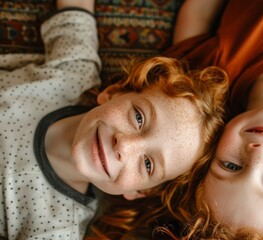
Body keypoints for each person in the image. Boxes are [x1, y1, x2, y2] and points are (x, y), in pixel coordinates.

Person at [86, 0, 263, 239]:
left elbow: (198, 10)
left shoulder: (205, 77)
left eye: (231, 165)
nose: (258, 156)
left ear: (209, 148)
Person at [0, 0, 229, 239]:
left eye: (148, 164)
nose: (125, 145)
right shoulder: (74, 74)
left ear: (140, 191)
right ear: (113, 92)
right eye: (139, 118)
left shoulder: (55, 228)